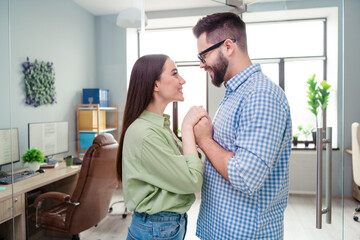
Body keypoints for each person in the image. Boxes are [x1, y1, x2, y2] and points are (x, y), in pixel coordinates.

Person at [192, 12, 292, 239]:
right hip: (221, 229)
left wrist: (205, 140)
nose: (201, 64)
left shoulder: (260, 95)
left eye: (203, 55)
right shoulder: (236, 93)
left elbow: (245, 177)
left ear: (228, 47)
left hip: (244, 234)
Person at [116, 54, 206, 240]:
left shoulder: (159, 126)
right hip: (157, 228)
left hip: (166, 225)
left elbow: (192, 161)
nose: (182, 80)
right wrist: (187, 127)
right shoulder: (146, 134)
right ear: (155, 85)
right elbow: (192, 180)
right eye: (174, 74)